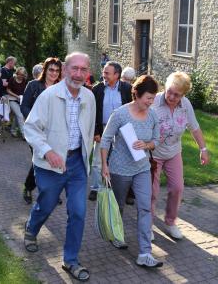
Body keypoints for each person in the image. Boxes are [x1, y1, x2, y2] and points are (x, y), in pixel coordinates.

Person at [23, 52, 95, 282]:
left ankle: (70, 260)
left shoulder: (89, 97)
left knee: (78, 212)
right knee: (47, 203)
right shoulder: (49, 96)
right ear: (65, 70)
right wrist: (48, 151)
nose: (78, 74)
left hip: (76, 164)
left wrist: (93, 161)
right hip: (50, 164)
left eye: (84, 69)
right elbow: (31, 129)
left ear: (88, 72)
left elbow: (89, 132)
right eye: (74, 68)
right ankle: (31, 229)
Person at [100, 75, 163, 268]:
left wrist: (147, 144)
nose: (151, 102)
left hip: (142, 168)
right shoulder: (120, 114)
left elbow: (157, 140)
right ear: (136, 94)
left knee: (145, 207)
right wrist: (104, 166)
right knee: (118, 206)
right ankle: (117, 235)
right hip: (120, 169)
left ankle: (145, 253)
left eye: (153, 98)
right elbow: (105, 139)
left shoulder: (152, 115)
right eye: (148, 98)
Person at [151, 71, 209, 240]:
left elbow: (195, 127)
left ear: (183, 94)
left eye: (177, 94)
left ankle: (170, 222)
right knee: (151, 192)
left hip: (173, 151)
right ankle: (147, 225)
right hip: (152, 153)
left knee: (177, 188)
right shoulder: (154, 101)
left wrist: (203, 149)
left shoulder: (185, 105)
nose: (171, 96)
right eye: (169, 91)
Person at [20, 57, 62, 204]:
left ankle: (50, 192)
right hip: (36, 131)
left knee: (52, 161)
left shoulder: (61, 88)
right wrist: (33, 122)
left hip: (55, 132)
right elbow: (24, 106)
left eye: (57, 70)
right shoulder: (33, 85)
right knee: (39, 160)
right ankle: (28, 187)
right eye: (51, 69)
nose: (54, 73)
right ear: (45, 69)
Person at [89, 61, 133, 201]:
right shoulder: (97, 89)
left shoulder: (128, 88)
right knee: (97, 161)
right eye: (104, 72)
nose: (104, 75)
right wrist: (96, 131)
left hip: (124, 129)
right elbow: (93, 112)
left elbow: (134, 108)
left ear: (117, 74)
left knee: (126, 159)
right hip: (103, 129)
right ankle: (96, 188)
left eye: (107, 73)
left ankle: (126, 191)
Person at [6, 67, 27, 138]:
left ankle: (13, 130)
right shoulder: (12, 79)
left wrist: (22, 97)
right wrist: (16, 96)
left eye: (22, 75)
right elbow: (8, 90)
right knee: (20, 115)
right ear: (17, 73)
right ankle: (24, 135)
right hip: (12, 99)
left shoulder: (24, 80)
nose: (21, 76)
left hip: (21, 100)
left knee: (17, 116)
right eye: (19, 74)